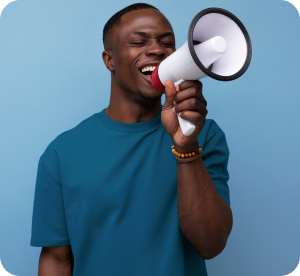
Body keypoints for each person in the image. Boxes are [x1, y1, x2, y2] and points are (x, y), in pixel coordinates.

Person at [30, 3, 233, 276]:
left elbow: (211, 244)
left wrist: (187, 147)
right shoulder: (62, 153)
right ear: (109, 60)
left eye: (168, 43)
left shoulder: (204, 136)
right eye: (138, 41)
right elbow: (57, 261)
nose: (157, 50)